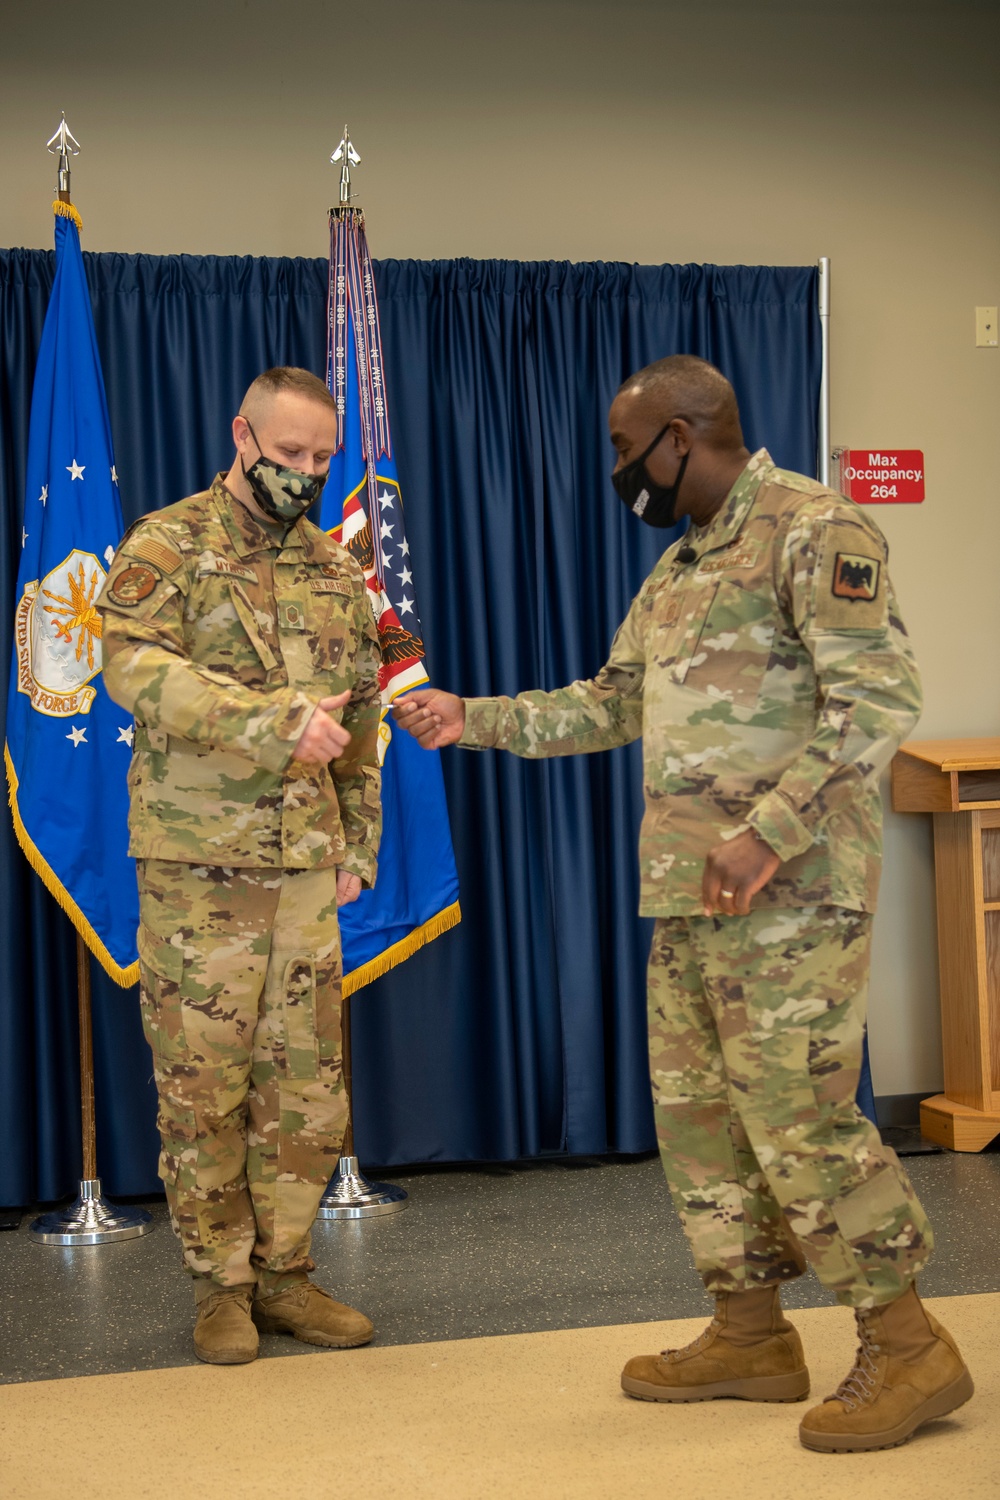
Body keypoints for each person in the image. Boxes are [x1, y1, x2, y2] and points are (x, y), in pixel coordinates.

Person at [392, 354, 973, 1452]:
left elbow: (876, 697)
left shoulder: (813, 527)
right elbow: (611, 703)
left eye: (624, 449)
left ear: (680, 435)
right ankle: (749, 1332)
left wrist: (770, 833)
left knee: (799, 1117)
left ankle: (908, 1347)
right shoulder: (677, 568)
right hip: (694, 897)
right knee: (703, 1121)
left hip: (793, 895)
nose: (618, 470)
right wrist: (471, 717)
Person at [97, 367, 382, 1365]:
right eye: (290, 454)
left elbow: (361, 715)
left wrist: (360, 842)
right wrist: (265, 722)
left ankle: (287, 1278)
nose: (306, 474)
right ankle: (219, 1287)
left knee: (303, 1088)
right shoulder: (169, 544)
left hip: (307, 866)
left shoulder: (335, 570)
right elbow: (129, 663)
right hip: (197, 868)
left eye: (321, 459)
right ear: (242, 435)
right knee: (202, 1081)